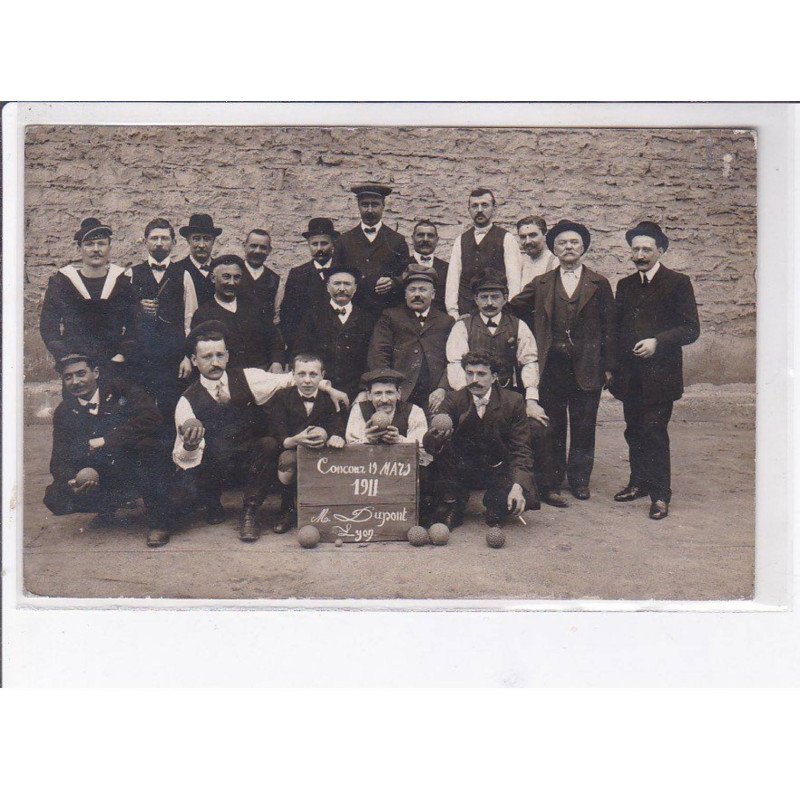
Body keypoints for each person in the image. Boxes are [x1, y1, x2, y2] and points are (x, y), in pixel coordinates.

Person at [173, 322, 348, 542]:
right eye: (207, 357)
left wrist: (327, 387)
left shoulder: (248, 377)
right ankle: (211, 502)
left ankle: (250, 513)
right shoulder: (186, 401)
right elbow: (183, 458)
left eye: (220, 355)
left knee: (268, 444)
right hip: (214, 461)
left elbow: (290, 378)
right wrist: (190, 444)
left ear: (227, 356)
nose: (215, 362)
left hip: (247, 455)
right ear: (194, 360)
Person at [508, 220, 616, 506]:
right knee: (552, 425)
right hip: (552, 365)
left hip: (587, 365)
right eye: (562, 244)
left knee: (583, 424)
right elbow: (514, 306)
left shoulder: (599, 283)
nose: (568, 248)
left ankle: (580, 480)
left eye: (574, 243)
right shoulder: (542, 283)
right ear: (554, 249)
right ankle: (551, 482)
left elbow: (610, 328)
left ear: (583, 248)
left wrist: (608, 367)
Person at [610, 221, 700, 520]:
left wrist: (657, 342)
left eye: (646, 249)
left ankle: (660, 495)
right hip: (631, 378)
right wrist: (613, 369)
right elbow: (617, 330)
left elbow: (691, 329)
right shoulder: (625, 285)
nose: (640, 255)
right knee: (634, 430)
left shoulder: (678, 282)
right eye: (635, 249)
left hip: (661, 376)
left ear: (660, 251)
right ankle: (638, 483)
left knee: (655, 432)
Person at [43, 353, 176, 548]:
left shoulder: (121, 389)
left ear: (95, 372)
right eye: (68, 377)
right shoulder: (64, 412)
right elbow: (59, 459)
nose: (75, 382)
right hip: (101, 471)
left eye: (81, 374)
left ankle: (159, 523)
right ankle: (108, 506)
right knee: (55, 497)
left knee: (149, 448)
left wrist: (106, 440)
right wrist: (71, 480)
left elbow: (152, 418)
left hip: (133, 462)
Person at [423, 351, 538, 529]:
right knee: (436, 489)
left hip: (497, 469)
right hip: (462, 469)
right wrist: (435, 436)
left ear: (494, 377)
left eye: (481, 374)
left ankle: (495, 504)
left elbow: (521, 449)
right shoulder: (453, 400)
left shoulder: (513, 401)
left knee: (513, 500)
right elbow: (431, 447)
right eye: (469, 373)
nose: (474, 379)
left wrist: (518, 486)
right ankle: (454, 502)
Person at [446, 268, 546, 423]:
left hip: (508, 396)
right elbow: (455, 364)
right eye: (484, 297)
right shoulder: (462, 327)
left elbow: (529, 362)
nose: (489, 303)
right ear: (475, 299)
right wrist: (470, 396)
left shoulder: (518, 326)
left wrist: (531, 401)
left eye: (495, 297)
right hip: (472, 395)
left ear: (505, 298)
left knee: (536, 427)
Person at [39, 217, 136, 377]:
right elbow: (48, 326)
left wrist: (122, 355)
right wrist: (67, 358)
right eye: (89, 244)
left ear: (109, 247)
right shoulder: (62, 282)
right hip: (76, 368)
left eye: (101, 244)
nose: (95, 249)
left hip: (114, 365)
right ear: (79, 248)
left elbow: (134, 323)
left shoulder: (121, 282)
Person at [264, 353, 347, 534]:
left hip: (323, 453)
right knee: (287, 463)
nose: (307, 380)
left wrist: (337, 436)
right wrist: (295, 440)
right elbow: (279, 432)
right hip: (293, 449)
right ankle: (287, 510)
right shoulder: (282, 397)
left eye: (313, 374)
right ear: (293, 374)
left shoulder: (329, 399)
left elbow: (337, 424)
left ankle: (325, 512)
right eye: (301, 374)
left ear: (322, 375)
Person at [128, 217, 198, 426]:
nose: (159, 243)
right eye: (154, 238)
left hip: (173, 358)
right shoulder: (131, 274)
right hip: (142, 356)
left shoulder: (184, 275)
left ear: (174, 243)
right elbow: (121, 316)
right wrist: (137, 308)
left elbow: (190, 320)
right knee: (142, 410)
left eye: (164, 238)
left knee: (172, 409)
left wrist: (187, 356)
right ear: (145, 241)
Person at [366, 264, 453, 413]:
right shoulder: (390, 317)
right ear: (405, 294)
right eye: (412, 290)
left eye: (423, 290)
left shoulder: (446, 321)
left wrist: (442, 389)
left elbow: (452, 360)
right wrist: (390, 389)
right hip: (401, 394)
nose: (417, 295)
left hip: (435, 396)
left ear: (433, 294)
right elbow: (379, 354)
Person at [292, 264, 373, 401]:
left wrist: (364, 390)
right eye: (337, 284)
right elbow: (300, 352)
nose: (342, 288)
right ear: (328, 287)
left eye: (347, 284)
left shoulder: (367, 318)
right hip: (319, 389)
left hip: (356, 393)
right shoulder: (312, 315)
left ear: (355, 288)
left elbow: (371, 358)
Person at [190, 255, 285, 371]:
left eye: (237, 277)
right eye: (226, 277)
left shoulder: (255, 307)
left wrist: (276, 362)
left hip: (261, 372)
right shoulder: (203, 314)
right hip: (226, 377)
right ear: (213, 278)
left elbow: (274, 339)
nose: (232, 283)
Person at [444, 188, 523, 318]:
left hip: (497, 312)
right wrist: (453, 312)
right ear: (469, 209)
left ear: (494, 208)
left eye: (484, 205)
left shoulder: (506, 238)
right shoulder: (461, 240)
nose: (479, 210)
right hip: (467, 312)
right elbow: (453, 279)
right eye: (475, 206)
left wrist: (508, 312)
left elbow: (514, 280)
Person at [333, 182, 410, 316]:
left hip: (385, 313)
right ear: (358, 206)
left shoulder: (397, 240)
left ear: (383, 206)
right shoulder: (344, 241)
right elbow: (334, 275)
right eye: (365, 205)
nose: (369, 210)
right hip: (353, 313)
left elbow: (406, 275)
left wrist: (393, 282)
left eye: (374, 205)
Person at [279, 217, 340, 354]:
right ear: (308, 244)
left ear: (333, 243)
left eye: (324, 243)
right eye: (314, 244)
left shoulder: (343, 272)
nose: (319, 249)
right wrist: (295, 344)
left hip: (335, 347)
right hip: (305, 347)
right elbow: (287, 314)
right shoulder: (297, 274)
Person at [173, 213, 222, 308]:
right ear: (188, 240)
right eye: (196, 239)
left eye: (207, 239)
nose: (202, 245)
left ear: (213, 241)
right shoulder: (176, 270)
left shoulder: (220, 269)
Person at [240, 228, 281, 327]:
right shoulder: (234, 272)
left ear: (269, 250)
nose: (257, 251)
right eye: (253, 246)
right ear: (244, 246)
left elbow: (276, 316)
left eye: (263, 247)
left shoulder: (274, 279)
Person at [409, 219, 448, 312]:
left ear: (437, 240)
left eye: (430, 236)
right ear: (412, 238)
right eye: (420, 235)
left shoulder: (447, 268)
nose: (425, 239)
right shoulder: (401, 265)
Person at [517, 215, 559, 288]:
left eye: (532, 235)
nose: (527, 241)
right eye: (523, 237)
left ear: (545, 236)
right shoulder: (520, 262)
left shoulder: (555, 263)